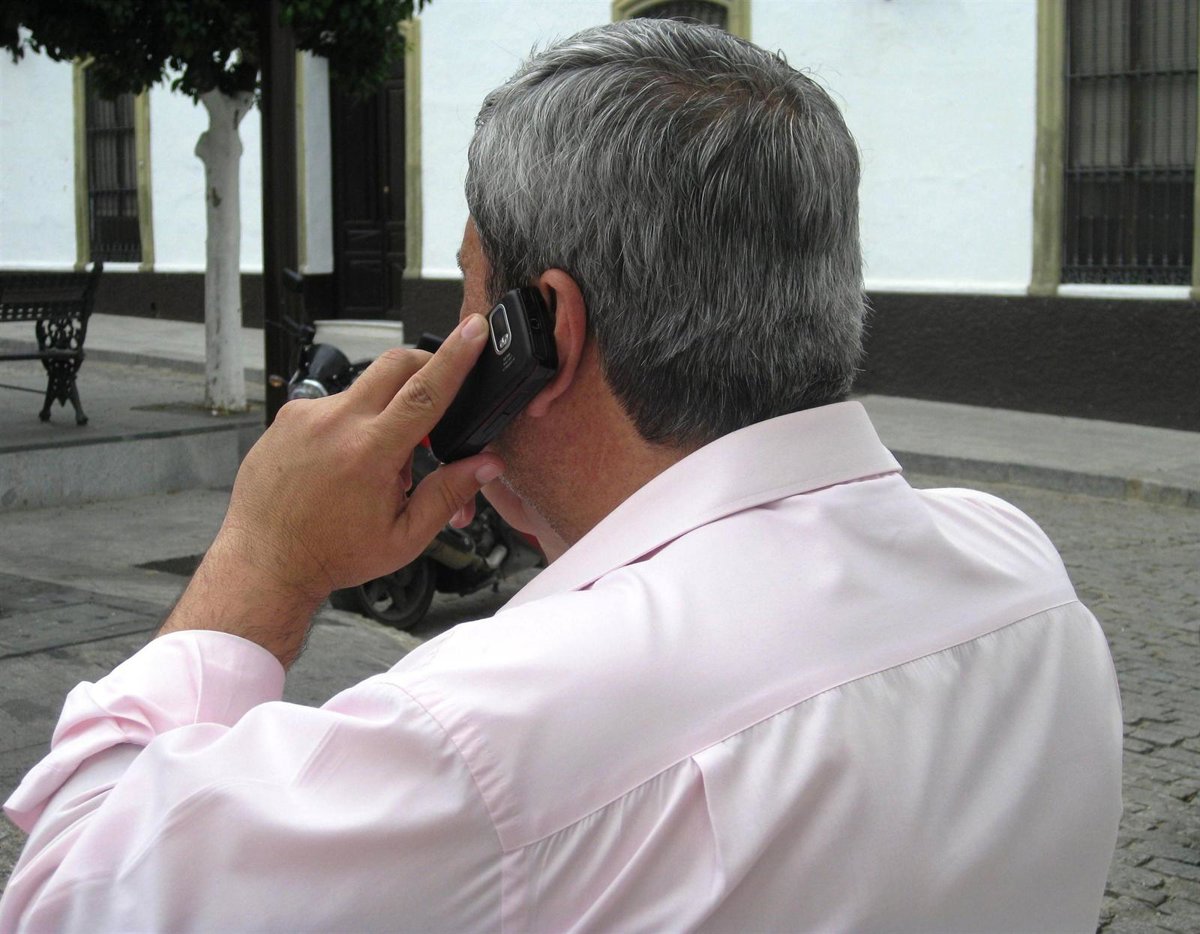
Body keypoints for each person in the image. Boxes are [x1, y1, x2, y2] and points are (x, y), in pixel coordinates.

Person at [1, 19, 1121, 932]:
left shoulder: (482, 735)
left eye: (469, 292)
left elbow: (68, 896)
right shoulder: (1022, 575)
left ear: (545, 333)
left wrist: (265, 556)